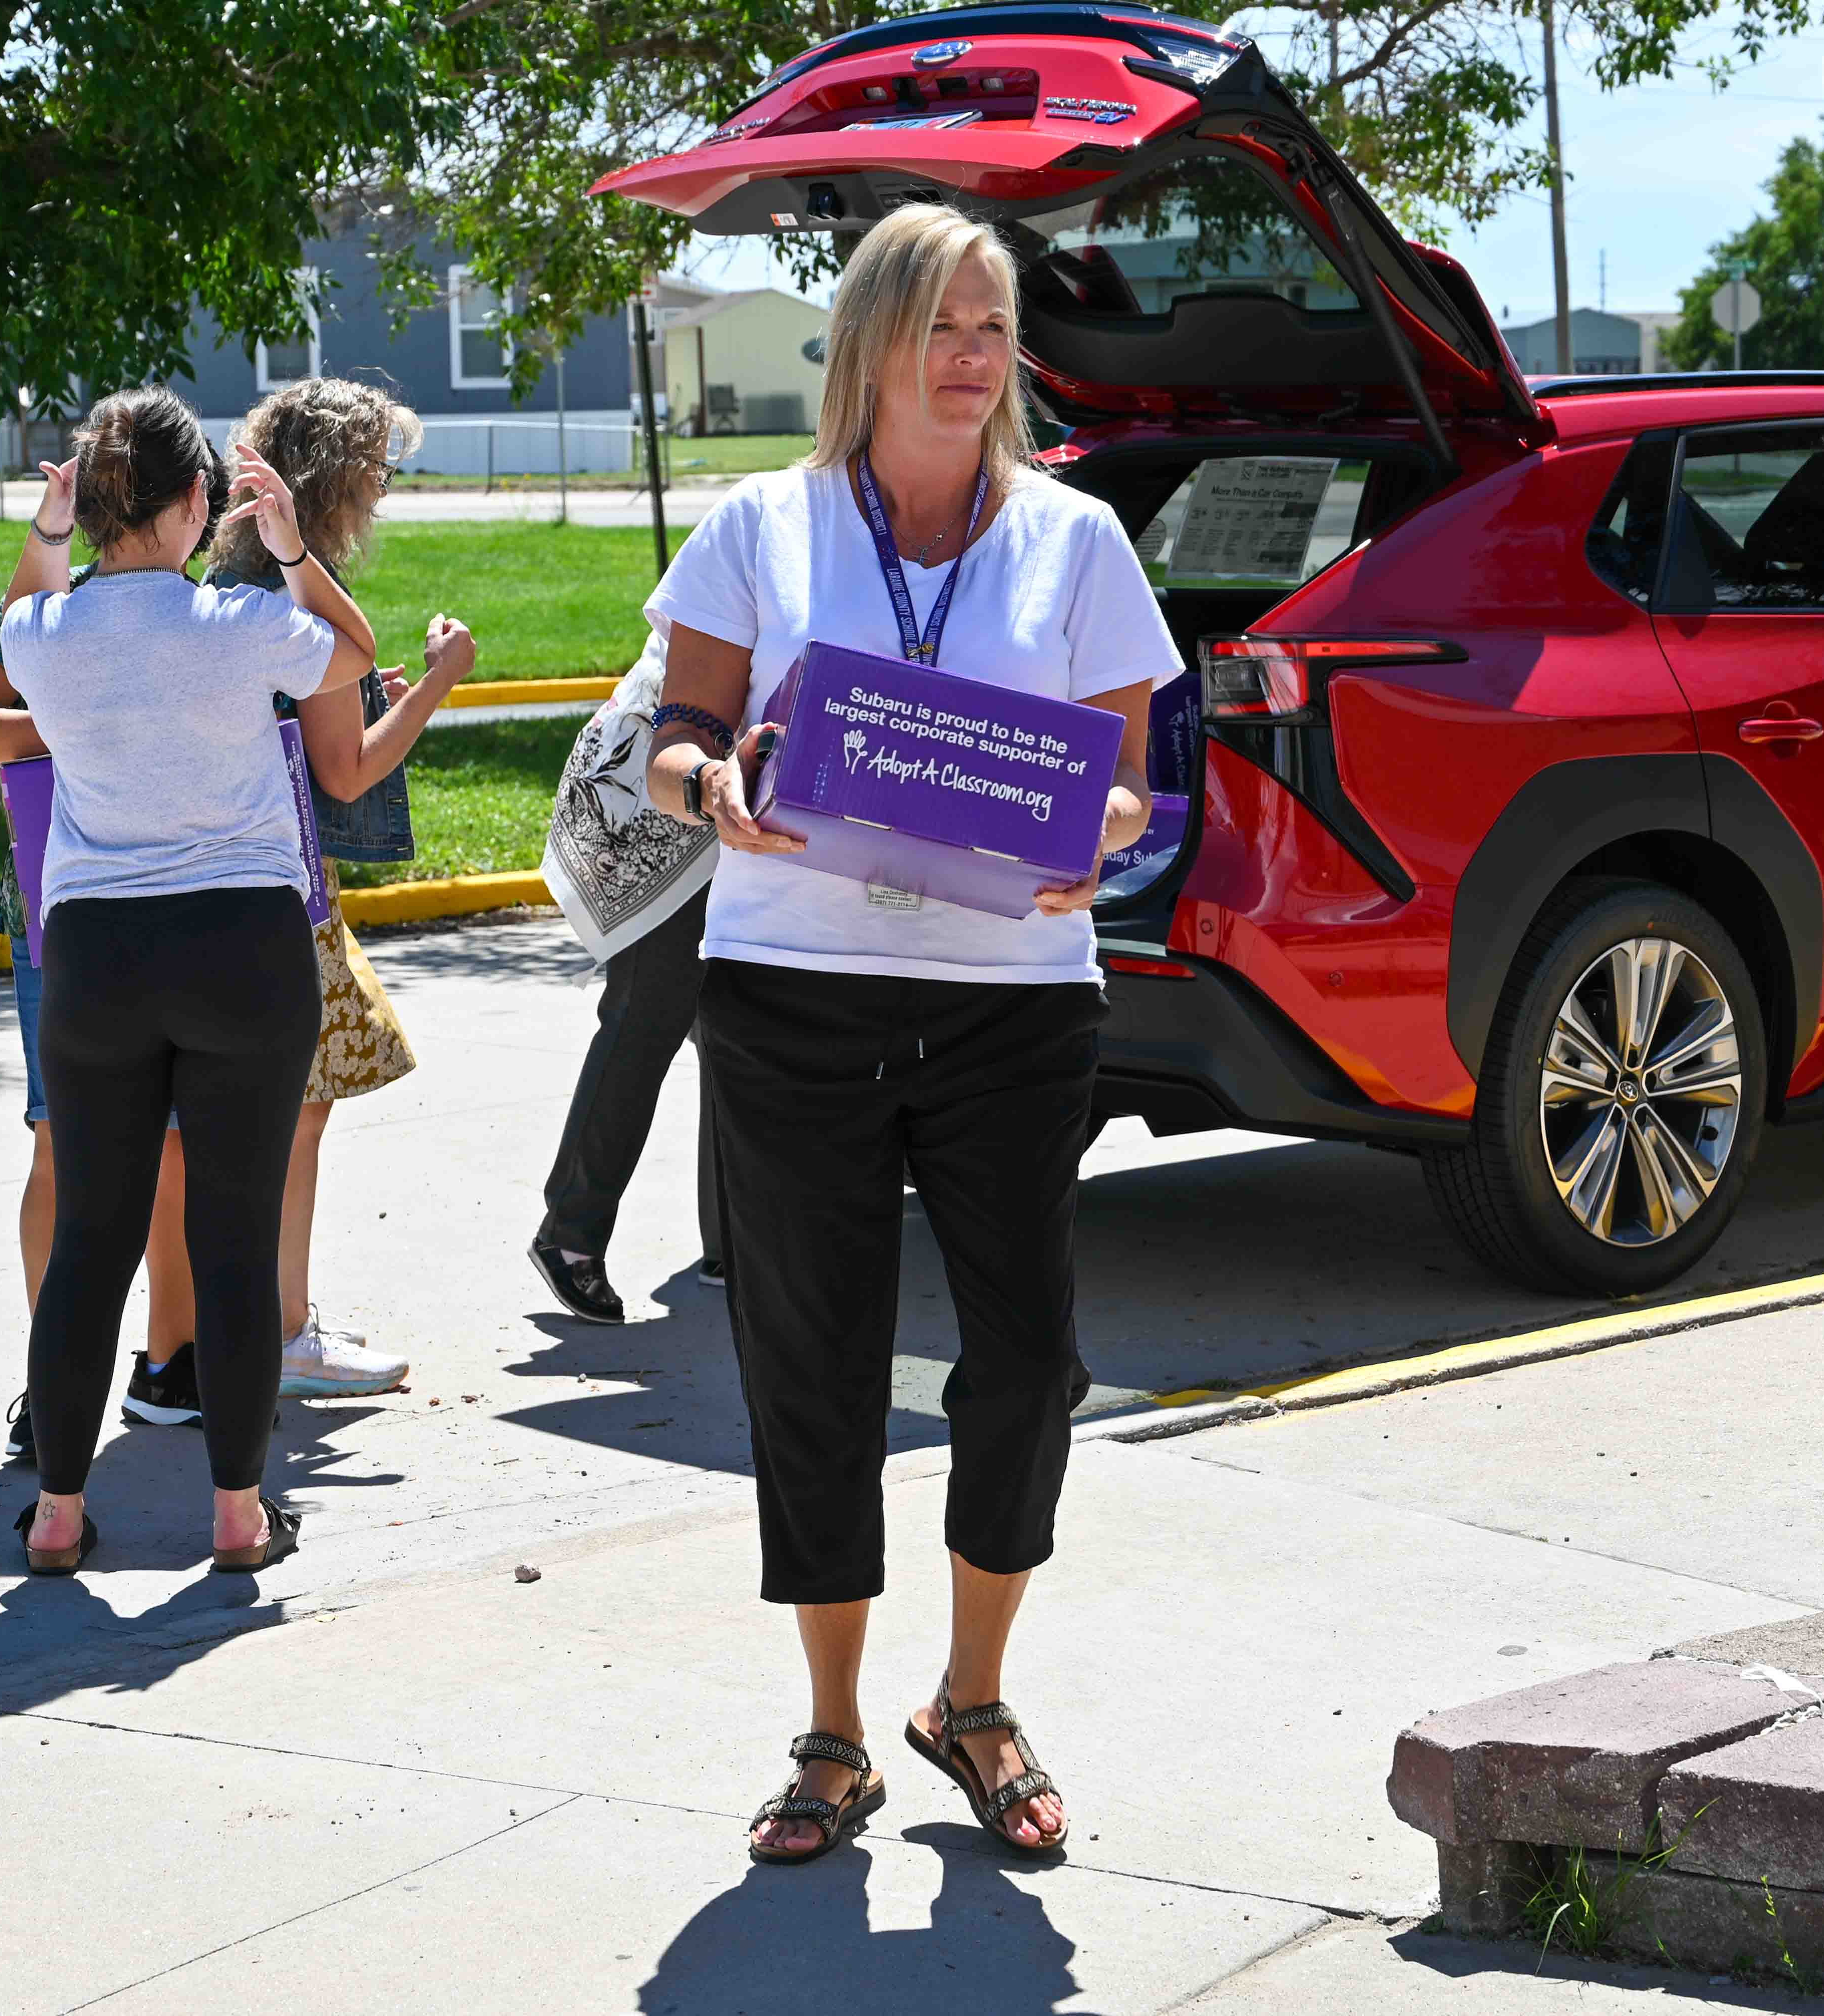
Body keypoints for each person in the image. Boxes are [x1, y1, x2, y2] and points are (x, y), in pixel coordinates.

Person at [640, 205, 1176, 1864]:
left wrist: (1091, 841)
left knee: (1027, 1359)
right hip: (790, 992)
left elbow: (1126, 788)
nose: (969, 352)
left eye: (992, 323)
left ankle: (971, 1698)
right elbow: (678, 737)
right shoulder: (761, 524)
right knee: (810, 1357)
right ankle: (832, 1731)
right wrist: (712, 790)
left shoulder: (1076, 541)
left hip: (1010, 1003)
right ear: (868, 340)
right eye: (939, 321)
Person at [0, 383, 376, 1575]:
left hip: (96, 952)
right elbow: (353, 653)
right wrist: (290, 546)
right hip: (242, 944)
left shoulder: (46, 635)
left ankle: (58, 1510)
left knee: (95, 1234)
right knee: (233, 1233)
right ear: (202, 503)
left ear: (89, 506)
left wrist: (43, 539)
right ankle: (239, 1510)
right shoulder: (240, 622)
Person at [186, 377, 467, 1397]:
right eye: (377, 464)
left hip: (216, 879)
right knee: (295, 1114)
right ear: (335, 479)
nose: (387, 484)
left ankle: (241, 1322)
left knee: (258, 1118)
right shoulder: (303, 602)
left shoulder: (231, 577)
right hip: (284, 891)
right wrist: (441, 680)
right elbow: (347, 771)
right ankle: (282, 1326)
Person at [0, 465, 203, 1465]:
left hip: (184, 900)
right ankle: (54, 1381)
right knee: (61, 1142)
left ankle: (172, 1361)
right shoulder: (52, 612)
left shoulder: (208, 613)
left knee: (179, 1148)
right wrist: (67, 728)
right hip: (61, 906)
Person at [531, 630, 725, 1324]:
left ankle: (731, 1243)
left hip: (713, 816)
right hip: (662, 810)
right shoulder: (759, 534)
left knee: (732, 1027)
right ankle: (571, 1235)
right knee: (647, 1018)